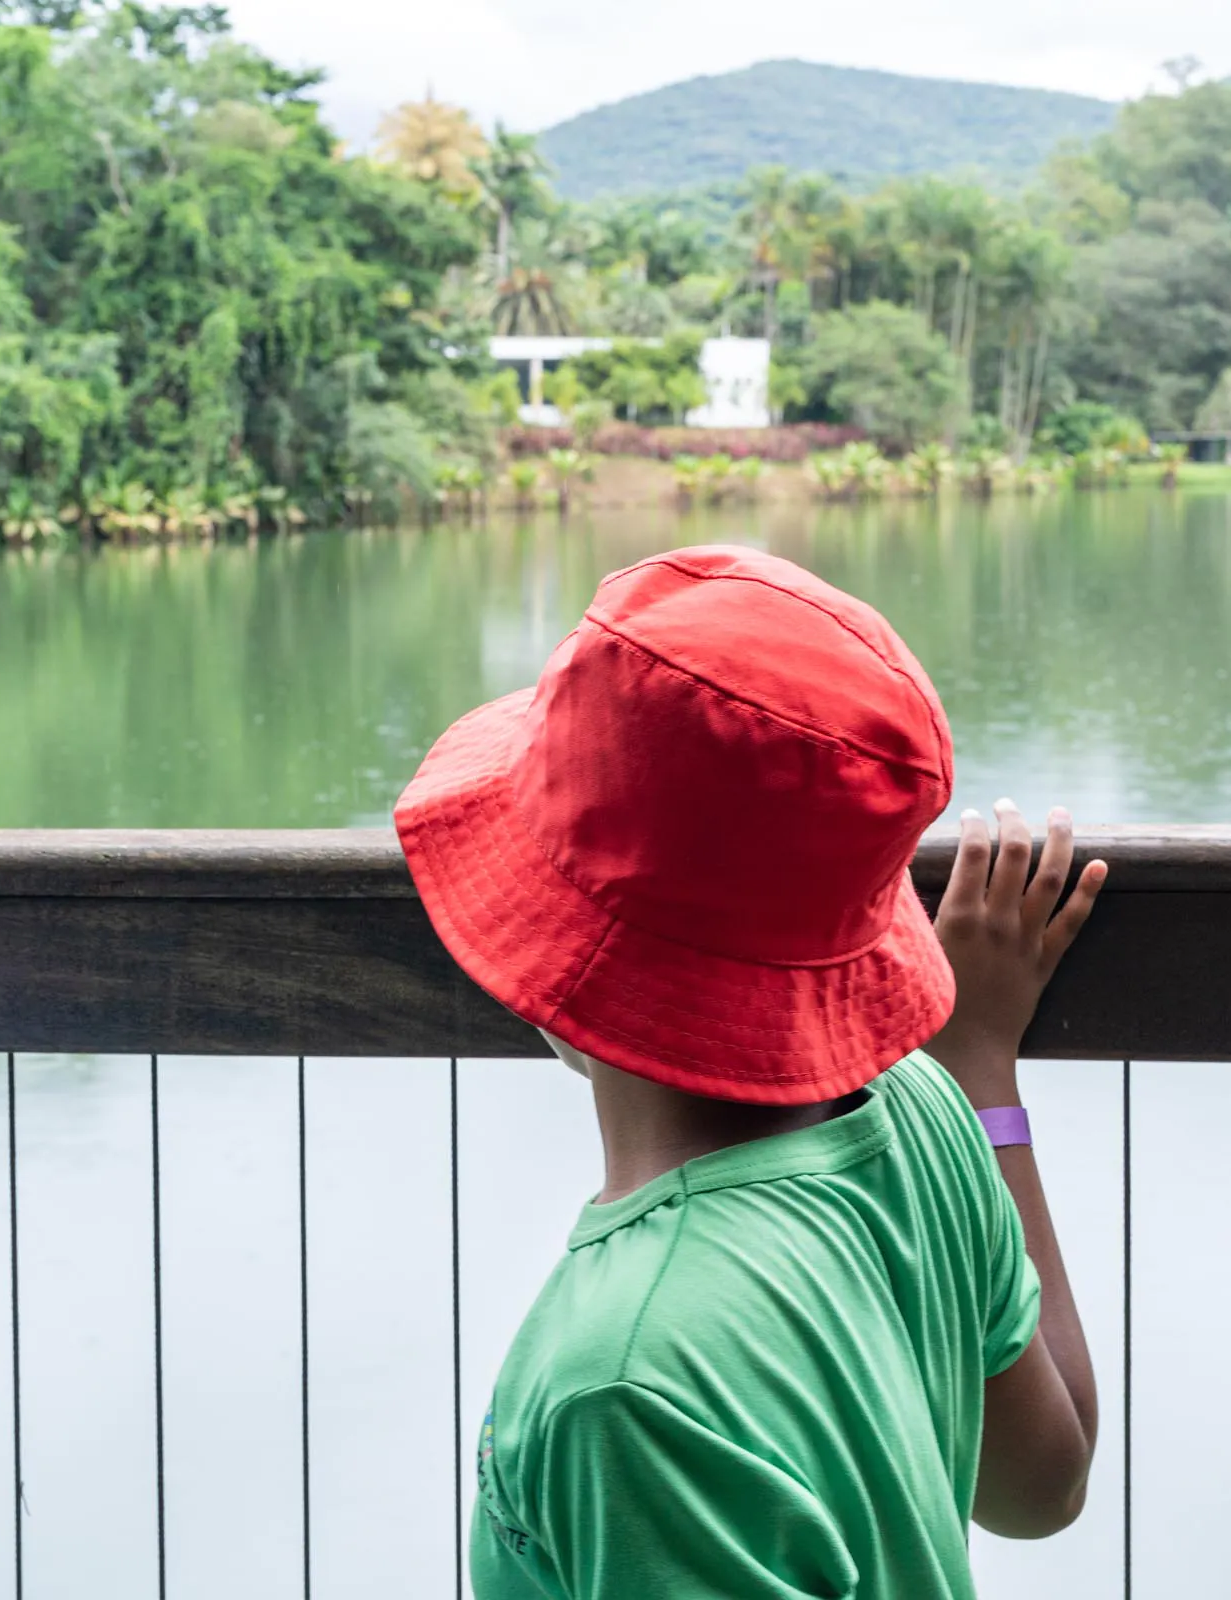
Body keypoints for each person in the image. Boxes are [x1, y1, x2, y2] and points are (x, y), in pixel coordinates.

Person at [395, 545, 1103, 1600]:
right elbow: (1041, 1484)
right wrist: (976, 1074)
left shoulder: (622, 1381)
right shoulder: (923, 1114)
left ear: (557, 956)